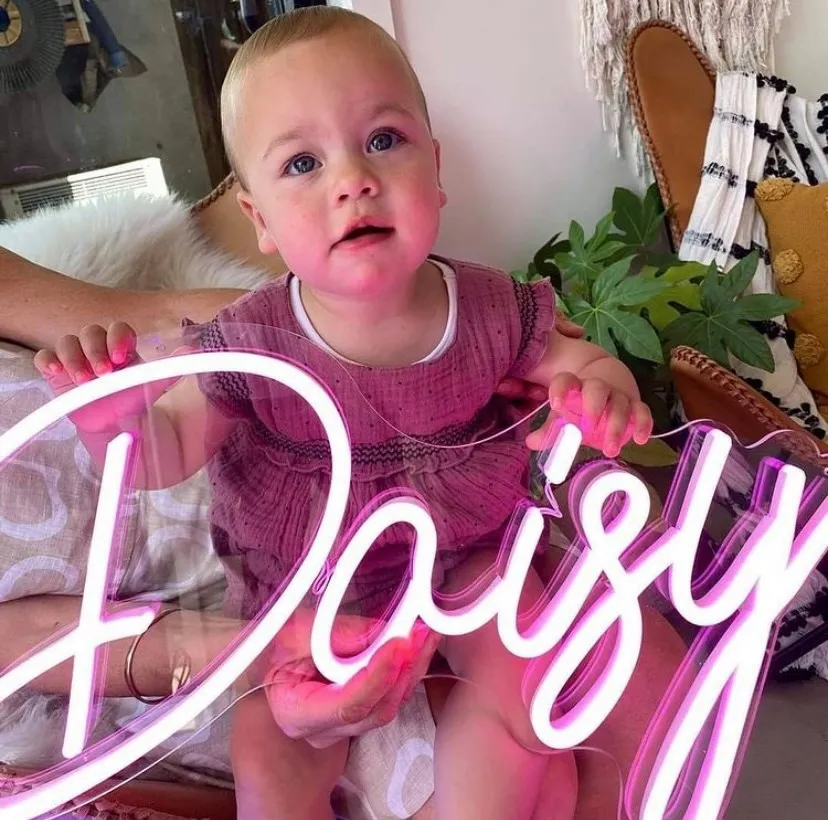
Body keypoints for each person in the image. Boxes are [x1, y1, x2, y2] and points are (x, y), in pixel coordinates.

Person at [32, 7, 654, 819]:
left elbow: (575, 361)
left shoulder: (489, 306)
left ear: (436, 171)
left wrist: (601, 388)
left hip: (468, 556)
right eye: (302, 163)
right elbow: (166, 449)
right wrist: (112, 420)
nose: (352, 178)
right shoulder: (252, 340)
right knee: (271, 747)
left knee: (526, 679)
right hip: (307, 586)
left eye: (384, 140)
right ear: (259, 221)